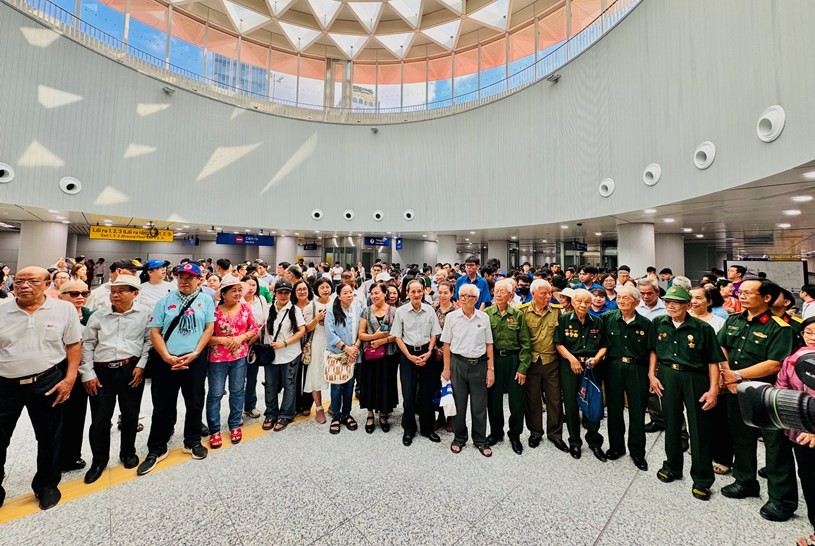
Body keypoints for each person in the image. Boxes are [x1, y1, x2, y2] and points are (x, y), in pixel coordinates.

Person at [0, 266, 82, 510]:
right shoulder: (2, 310)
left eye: (32, 281)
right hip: (5, 384)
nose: (24, 286)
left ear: (47, 284)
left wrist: (69, 379)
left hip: (48, 381)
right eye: (19, 281)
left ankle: (46, 486)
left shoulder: (64, 309)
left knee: (49, 437)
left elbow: (74, 345)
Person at [718, 279, 797, 521]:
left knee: (775, 447)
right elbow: (721, 347)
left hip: (766, 394)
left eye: (748, 293)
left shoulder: (780, 328)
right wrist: (728, 377)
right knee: (741, 437)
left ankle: (782, 500)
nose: (742, 296)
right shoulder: (733, 320)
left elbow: (775, 362)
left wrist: (738, 375)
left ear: (766, 298)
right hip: (736, 390)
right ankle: (745, 481)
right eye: (740, 292)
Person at [137, 262, 215, 476]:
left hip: (194, 359)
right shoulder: (165, 301)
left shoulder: (206, 300)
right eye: (181, 276)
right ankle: (157, 447)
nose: (185, 280)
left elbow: (209, 328)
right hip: (166, 361)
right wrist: (166, 357)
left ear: (199, 279)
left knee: (195, 401)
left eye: (190, 277)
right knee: (162, 406)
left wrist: (196, 352)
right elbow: (155, 331)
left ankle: (192, 441)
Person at [649, 285, 723, 501]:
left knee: (699, 427)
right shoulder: (659, 323)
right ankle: (672, 466)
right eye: (667, 302)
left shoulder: (702, 328)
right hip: (668, 376)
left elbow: (713, 360)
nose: (670, 306)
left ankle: (702, 479)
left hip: (695, 377)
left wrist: (713, 389)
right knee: (671, 422)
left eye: (676, 302)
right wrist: (652, 375)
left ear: (687, 306)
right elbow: (654, 350)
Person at [80, 275, 151, 484]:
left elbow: (149, 341)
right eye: (113, 291)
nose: (115, 295)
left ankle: (128, 452)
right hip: (102, 373)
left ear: (135, 294)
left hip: (131, 369)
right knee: (100, 419)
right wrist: (88, 374)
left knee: (130, 414)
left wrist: (141, 365)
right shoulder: (98, 316)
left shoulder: (144, 314)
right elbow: (87, 345)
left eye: (121, 291)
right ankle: (99, 461)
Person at [602, 286, 655, 470]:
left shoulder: (646, 324)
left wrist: (651, 374)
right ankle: (616, 448)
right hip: (613, 367)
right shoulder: (607, 319)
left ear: (637, 302)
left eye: (626, 298)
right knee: (614, 409)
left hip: (637, 369)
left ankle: (637, 452)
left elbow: (651, 352)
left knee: (637, 411)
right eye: (619, 297)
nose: (621, 301)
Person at [441, 284, 494, 457]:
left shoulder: (483, 317)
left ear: (476, 299)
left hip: (479, 365)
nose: (463, 298)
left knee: (479, 405)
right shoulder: (452, 317)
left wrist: (490, 369)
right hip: (458, 364)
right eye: (461, 295)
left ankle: (480, 439)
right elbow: (446, 344)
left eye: (468, 296)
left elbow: (489, 345)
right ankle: (459, 438)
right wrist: (446, 368)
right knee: (459, 404)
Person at [554, 288, 607, 461]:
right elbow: (559, 343)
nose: (583, 305)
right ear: (572, 302)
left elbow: (604, 345)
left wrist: (597, 359)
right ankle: (574, 442)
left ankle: (594, 442)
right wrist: (572, 359)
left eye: (586, 302)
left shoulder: (598, 322)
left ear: (591, 303)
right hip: (570, 367)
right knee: (570, 404)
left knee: (593, 403)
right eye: (579, 301)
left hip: (592, 367)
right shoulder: (563, 320)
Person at [774, 324, 815, 546]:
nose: (813, 337)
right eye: (809, 332)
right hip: (800, 432)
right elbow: (781, 389)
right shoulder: (792, 360)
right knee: (809, 479)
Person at [205, 276, 256, 448]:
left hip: (239, 358)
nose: (237, 293)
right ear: (223, 294)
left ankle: (234, 425)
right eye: (233, 290)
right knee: (215, 394)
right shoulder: (214, 312)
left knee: (237, 391)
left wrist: (242, 337)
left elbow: (254, 328)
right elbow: (205, 337)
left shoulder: (245, 308)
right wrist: (222, 340)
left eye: (239, 290)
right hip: (217, 359)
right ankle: (214, 430)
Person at [391, 279, 442, 445]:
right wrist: (409, 356)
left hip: (427, 353)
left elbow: (435, 333)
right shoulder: (401, 311)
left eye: (419, 291)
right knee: (409, 392)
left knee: (427, 392)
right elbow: (397, 336)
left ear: (424, 292)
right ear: (407, 293)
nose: (416, 294)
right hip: (408, 354)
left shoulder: (429, 310)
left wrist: (429, 352)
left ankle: (427, 428)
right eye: (412, 291)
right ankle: (409, 428)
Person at [519, 279, 567, 453]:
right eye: (544, 293)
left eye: (549, 293)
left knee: (554, 399)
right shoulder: (522, 312)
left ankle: (555, 434)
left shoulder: (557, 311)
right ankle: (535, 432)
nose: (548, 296)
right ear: (533, 294)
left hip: (551, 361)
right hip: (531, 362)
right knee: (532, 399)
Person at [689, 286, 732, 475]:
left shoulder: (719, 322)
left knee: (716, 416)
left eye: (699, 298)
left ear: (709, 302)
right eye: (691, 298)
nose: (694, 301)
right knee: (692, 413)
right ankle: (697, 445)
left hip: (712, 374)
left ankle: (721, 456)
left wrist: (724, 375)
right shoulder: (680, 319)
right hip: (688, 375)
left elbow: (722, 352)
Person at [486, 280, 531, 455]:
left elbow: (526, 344)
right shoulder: (487, 314)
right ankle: (496, 432)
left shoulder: (517, 315)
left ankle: (515, 435)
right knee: (494, 400)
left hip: (514, 361)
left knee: (517, 401)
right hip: (494, 361)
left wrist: (523, 368)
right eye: (496, 291)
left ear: (511, 296)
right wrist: (487, 368)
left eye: (502, 291)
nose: (497, 294)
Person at [57, 280, 93, 473]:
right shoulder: (55, 315)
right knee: (55, 419)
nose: (80, 297)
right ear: (61, 295)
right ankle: (54, 458)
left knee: (76, 416)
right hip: (56, 371)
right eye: (74, 294)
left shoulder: (91, 316)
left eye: (84, 293)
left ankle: (71, 456)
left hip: (80, 371)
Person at [261, 280, 306, 432]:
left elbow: (301, 331)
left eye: (287, 292)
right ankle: (271, 413)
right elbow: (261, 328)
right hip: (271, 354)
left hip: (290, 353)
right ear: (275, 293)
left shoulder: (295, 310)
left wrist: (285, 343)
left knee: (289, 384)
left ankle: (286, 414)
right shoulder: (268, 309)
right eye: (280, 292)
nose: (283, 295)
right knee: (270, 384)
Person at [358, 282, 399, 434]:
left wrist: (383, 340)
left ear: (384, 293)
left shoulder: (394, 311)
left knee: (385, 383)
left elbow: (397, 334)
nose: (374, 296)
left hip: (389, 354)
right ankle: (370, 414)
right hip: (370, 355)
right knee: (369, 382)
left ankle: (383, 414)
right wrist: (375, 337)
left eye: (377, 293)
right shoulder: (366, 311)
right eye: (372, 293)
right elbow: (361, 334)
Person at [324, 283, 363, 434]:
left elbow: (362, 330)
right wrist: (346, 348)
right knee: (336, 386)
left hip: (354, 352)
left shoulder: (358, 310)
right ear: (338, 296)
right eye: (345, 293)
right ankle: (335, 416)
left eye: (351, 292)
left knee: (349, 385)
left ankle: (346, 414)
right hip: (338, 354)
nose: (349, 295)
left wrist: (355, 348)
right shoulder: (331, 311)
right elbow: (330, 334)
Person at [303, 277, 332, 424]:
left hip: (334, 342)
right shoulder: (311, 306)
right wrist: (317, 318)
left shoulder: (336, 303)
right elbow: (307, 328)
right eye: (322, 288)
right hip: (318, 342)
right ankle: (319, 407)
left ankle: (334, 404)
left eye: (327, 286)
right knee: (316, 374)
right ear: (316, 290)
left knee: (335, 372)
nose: (325, 290)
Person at [241, 275, 267, 420]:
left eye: (253, 285)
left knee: (252, 376)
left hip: (256, 342)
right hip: (240, 342)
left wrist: (256, 335)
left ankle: (250, 406)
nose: (251, 288)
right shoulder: (238, 300)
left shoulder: (261, 300)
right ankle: (237, 410)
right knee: (239, 378)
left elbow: (266, 321)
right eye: (248, 285)